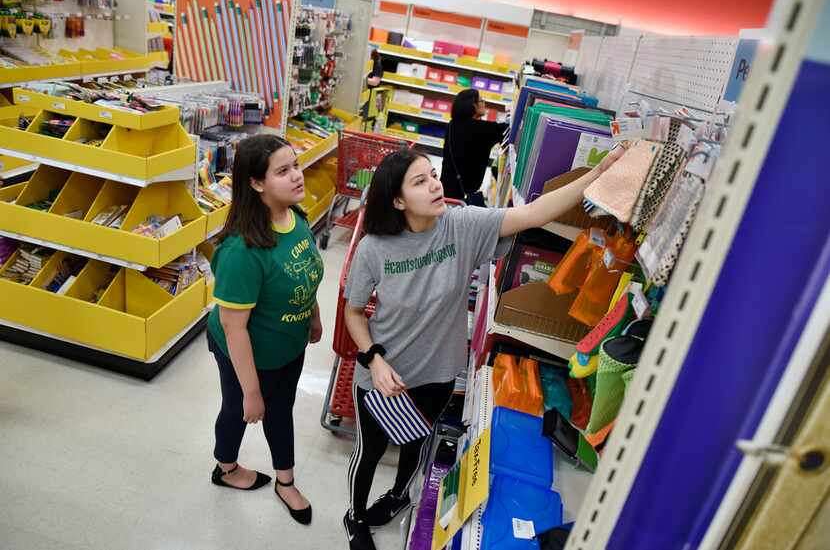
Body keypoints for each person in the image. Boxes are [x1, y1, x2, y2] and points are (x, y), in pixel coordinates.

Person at [341, 146, 625, 550]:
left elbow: (536, 213)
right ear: (398, 200)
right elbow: (354, 313)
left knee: (417, 443)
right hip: (383, 375)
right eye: (420, 182)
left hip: (437, 372)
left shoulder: (462, 226)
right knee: (368, 452)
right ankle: (354, 517)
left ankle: (398, 497)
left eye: (433, 175)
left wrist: (602, 171)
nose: (435, 185)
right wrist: (374, 358)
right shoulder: (375, 248)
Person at [206, 134, 324, 526]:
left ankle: (284, 481)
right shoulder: (243, 252)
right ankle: (225, 468)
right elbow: (233, 328)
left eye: (296, 165)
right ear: (256, 183)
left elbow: (306, 273)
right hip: (246, 351)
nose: (297, 176)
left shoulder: (296, 217)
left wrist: (314, 316)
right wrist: (251, 392)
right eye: (283, 171)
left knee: (282, 408)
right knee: (240, 409)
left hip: (286, 344)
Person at [440, 88, 509, 206]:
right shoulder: (480, 129)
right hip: (461, 195)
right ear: (473, 105)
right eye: (481, 100)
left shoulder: (452, 124)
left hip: (446, 187)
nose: (484, 103)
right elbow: (506, 129)